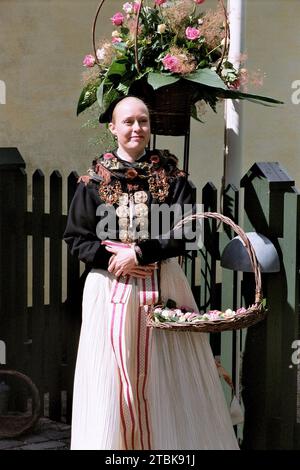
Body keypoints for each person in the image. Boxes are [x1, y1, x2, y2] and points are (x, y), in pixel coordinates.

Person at [64, 96, 239, 450]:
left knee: (167, 372)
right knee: (112, 374)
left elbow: (188, 232)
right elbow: (76, 238)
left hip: (163, 284)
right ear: (112, 127)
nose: (136, 129)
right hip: (109, 289)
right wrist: (113, 258)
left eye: (142, 121)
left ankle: (168, 445)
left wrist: (140, 253)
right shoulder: (93, 180)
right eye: (128, 122)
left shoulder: (172, 178)